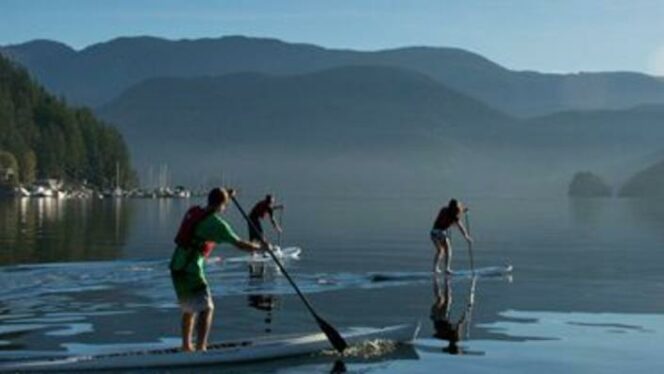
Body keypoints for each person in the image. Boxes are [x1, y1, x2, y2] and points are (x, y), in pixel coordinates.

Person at [169, 187, 268, 352]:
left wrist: (226, 195)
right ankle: (201, 348)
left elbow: (217, 200)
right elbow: (240, 244)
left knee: (189, 308)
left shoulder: (195, 211)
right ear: (223, 205)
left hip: (176, 266)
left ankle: (186, 346)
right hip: (190, 269)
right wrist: (260, 247)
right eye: (226, 204)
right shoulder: (216, 225)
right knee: (207, 308)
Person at [431, 274, 476, 354]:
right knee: (442, 299)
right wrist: (466, 312)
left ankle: (444, 282)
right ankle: (443, 282)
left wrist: (467, 311)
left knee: (443, 299)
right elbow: (460, 323)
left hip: (439, 317)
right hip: (437, 317)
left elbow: (460, 323)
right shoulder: (447, 337)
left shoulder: (452, 337)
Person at [430, 199, 472, 274]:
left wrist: (463, 210)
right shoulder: (454, 217)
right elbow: (461, 227)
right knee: (448, 249)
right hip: (441, 233)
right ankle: (447, 269)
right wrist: (467, 237)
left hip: (433, 232)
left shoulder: (444, 209)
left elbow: (456, 211)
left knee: (440, 251)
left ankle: (435, 268)